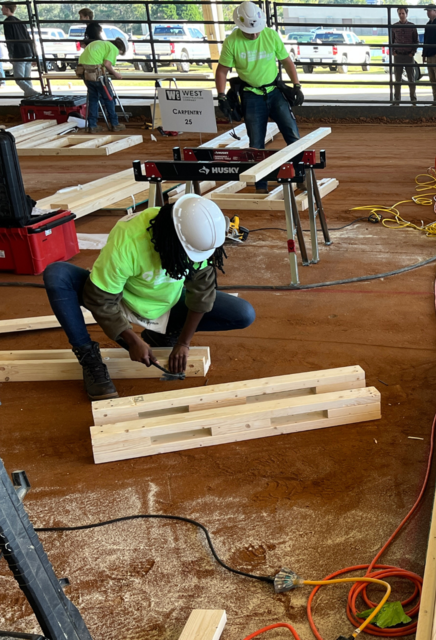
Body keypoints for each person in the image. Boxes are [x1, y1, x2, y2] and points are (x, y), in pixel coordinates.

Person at [42, 196, 255, 401]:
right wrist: (132, 340)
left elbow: (202, 293)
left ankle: (162, 335)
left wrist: (184, 342)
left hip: (166, 303)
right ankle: (90, 359)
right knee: (57, 275)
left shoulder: (200, 235)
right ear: (173, 238)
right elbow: (101, 299)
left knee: (242, 314)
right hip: (121, 302)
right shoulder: (129, 239)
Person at [215, 1, 303, 192]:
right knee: (256, 143)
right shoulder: (232, 42)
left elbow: (287, 62)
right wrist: (221, 95)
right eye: (249, 31)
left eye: (256, 30)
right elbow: (222, 71)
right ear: (239, 26)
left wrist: (296, 85)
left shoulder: (270, 35)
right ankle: (261, 186)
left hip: (275, 91)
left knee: (292, 134)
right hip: (251, 95)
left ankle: (301, 176)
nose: (254, 34)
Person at [77, 37, 126, 133]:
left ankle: (92, 125)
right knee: (108, 98)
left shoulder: (99, 43)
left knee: (93, 99)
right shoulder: (113, 48)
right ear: (120, 49)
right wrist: (115, 73)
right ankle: (115, 124)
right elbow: (107, 64)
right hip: (97, 74)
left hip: (84, 73)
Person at [1, 3, 38, 97]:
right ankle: (30, 98)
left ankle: (32, 93)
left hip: (18, 53)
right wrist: (33, 54)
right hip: (27, 51)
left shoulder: (7, 22)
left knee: (19, 79)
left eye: (3, 7)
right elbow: (29, 38)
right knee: (27, 78)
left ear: (7, 9)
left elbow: (10, 40)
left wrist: (11, 55)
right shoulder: (20, 22)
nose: (1, 9)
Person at [389, 6, 418, 105]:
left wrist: (412, 52)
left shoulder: (412, 27)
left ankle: (413, 100)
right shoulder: (394, 27)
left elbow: (416, 41)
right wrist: (393, 51)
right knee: (397, 79)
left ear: (406, 14)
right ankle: (397, 100)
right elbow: (391, 41)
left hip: (408, 55)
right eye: (399, 14)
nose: (401, 15)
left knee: (411, 79)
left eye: (403, 13)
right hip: (398, 55)